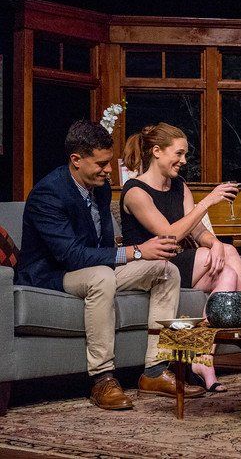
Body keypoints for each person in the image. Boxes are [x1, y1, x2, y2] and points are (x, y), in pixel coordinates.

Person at [15, 120, 205, 410]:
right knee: (102, 276)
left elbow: (102, 245)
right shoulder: (48, 194)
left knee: (166, 270)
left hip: (95, 266)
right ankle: (102, 378)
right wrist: (136, 252)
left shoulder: (99, 188)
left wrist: (136, 254)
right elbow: (72, 256)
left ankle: (155, 370)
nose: (108, 170)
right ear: (76, 160)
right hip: (53, 274)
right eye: (101, 163)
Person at [121, 122, 241, 391]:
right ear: (157, 151)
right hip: (152, 266)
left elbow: (198, 230)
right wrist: (207, 202)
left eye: (185, 154)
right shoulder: (135, 192)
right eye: (178, 154)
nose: (184, 160)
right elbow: (169, 235)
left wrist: (214, 243)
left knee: (228, 271)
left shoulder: (179, 186)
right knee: (225, 255)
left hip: (179, 266)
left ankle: (202, 358)